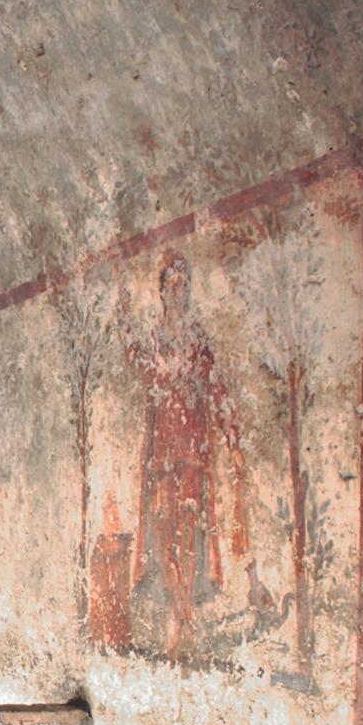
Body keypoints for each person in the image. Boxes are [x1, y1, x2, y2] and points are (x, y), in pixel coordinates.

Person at [126, 251, 248, 658]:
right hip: (162, 451)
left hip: (192, 448)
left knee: (187, 532)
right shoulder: (154, 340)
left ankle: (183, 623)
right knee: (162, 531)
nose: (176, 293)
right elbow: (137, 364)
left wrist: (233, 442)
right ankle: (180, 615)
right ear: (161, 292)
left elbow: (217, 389)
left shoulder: (198, 339)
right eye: (170, 286)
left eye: (183, 286)